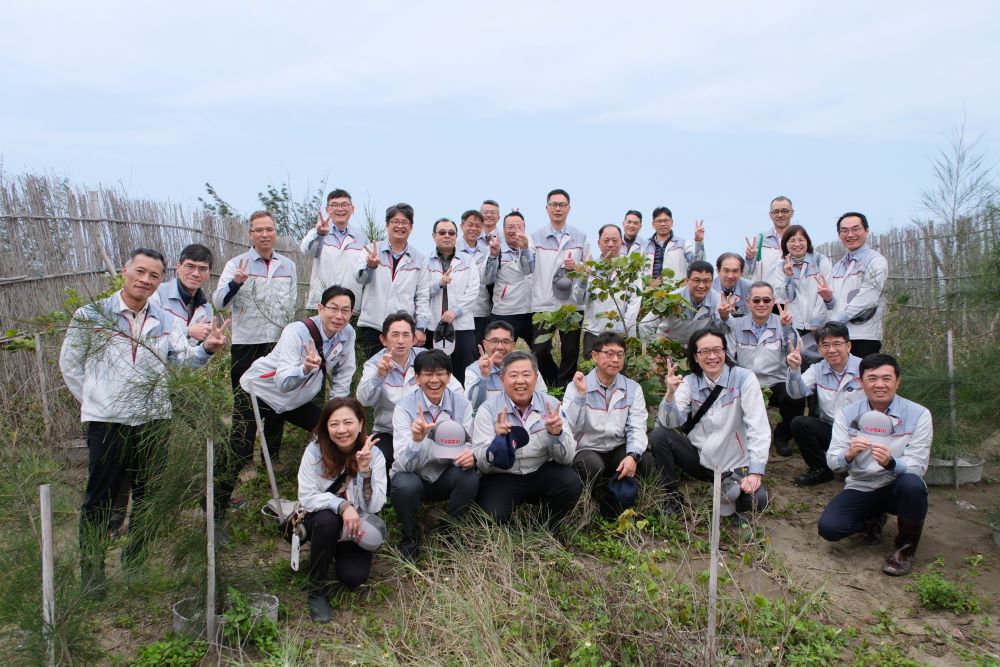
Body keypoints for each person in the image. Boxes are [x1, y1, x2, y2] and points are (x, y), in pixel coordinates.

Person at [60, 248, 229, 595]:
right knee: (99, 499)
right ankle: (92, 573)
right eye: (140, 271)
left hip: (154, 421)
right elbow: (71, 365)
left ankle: (135, 560)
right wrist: (96, 399)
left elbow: (181, 362)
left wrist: (206, 350)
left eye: (153, 275)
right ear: (125, 271)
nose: (146, 280)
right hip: (107, 422)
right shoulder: (91, 316)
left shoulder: (165, 321)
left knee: (148, 496)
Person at [229, 285, 357, 517]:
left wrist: (336, 410)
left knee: (332, 430)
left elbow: (344, 373)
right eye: (333, 308)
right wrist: (304, 369)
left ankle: (332, 489)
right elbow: (283, 381)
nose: (339, 316)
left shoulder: (347, 333)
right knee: (238, 449)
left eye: (345, 310)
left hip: (296, 401)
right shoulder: (296, 332)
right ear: (320, 308)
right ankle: (216, 506)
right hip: (258, 392)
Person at [817, 354, 932, 576]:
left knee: (913, 486)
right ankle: (872, 520)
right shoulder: (847, 414)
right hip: (862, 485)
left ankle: (905, 550)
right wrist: (848, 455)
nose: (880, 384)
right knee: (829, 528)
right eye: (872, 378)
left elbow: (918, 464)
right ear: (861, 382)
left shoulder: (918, 414)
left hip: (896, 484)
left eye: (887, 378)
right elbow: (833, 461)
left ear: (897, 382)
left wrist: (892, 463)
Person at [214, 211, 297, 506]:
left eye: (269, 229)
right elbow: (218, 301)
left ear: (275, 233)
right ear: (250, 234)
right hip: (246, 343)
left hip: (277, 343)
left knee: (276, 400)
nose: (264, 234)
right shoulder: (237, 264)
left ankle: (270, 457)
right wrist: (236, 283)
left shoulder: (288, 265)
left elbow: (291, 304)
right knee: (244, 403)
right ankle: (243, 462)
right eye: (258, 230)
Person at [650, 329, 770, 522]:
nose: (712, 356)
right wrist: (670, 394)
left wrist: (755, 472)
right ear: (695, 357)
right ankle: (672, 497)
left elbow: (758, 426)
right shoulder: (689, 382)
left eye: (717, 350)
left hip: (734, 463)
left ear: (725, 352)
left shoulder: (744, 379)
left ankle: (734, 505)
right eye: (704, 351)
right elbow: (670, 423)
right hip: (701, 459)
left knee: (757, 500)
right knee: (660, 435)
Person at [297, 397, 386, 622]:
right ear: (326, 427)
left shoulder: (375, 455)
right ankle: (316, 590)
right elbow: (307, 497)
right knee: (328, 520)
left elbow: (374, 507)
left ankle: (332, 551)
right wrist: (343, 505)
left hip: (355, 528)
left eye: (348, 422)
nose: (342, 430)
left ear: (360, 423)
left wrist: (365, 471)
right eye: (334, 424)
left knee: (353, 577)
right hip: (321, 520)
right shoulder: (315, 451)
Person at [472, 351, 582, 527]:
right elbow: (481, 465)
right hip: (502, 476)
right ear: (502, 379)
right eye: (513, 375)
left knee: (570, 483)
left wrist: (556, 435)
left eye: (526, 375)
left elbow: (567, 458)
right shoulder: (488, 410)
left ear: (536, 378)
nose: (520, 381)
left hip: (540, 471)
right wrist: (497, 443)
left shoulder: (552, 406)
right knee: (492, 516)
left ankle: (545, 528)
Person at [390, 350, 477, 561]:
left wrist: (470, 455)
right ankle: (410, 534)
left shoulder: (462, 404)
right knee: (404, 484)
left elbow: (471, 443)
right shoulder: (404, 408)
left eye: (440, 373)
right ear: (417, 378)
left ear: (449, 376)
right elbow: (402, 463)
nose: (435, 380)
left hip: (447, 473)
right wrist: (416, 441)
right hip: (415, 474)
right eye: (428, 374)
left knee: (469, 477)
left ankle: (450, 529)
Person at [356, 312, 463, 472]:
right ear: (383, 340)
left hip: (428, 431)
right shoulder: (375, 364)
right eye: (395, 335)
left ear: (413, 339)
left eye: (406, 335)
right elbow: (364, 400)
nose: (401, 341)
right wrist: (379, 376)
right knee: (379, 460)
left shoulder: (426, 359)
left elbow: (457, 391)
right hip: (388, 432)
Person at [563, 332, 650, 518]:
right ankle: (592, 496)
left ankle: (619, 497)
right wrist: (580, 396)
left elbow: (637, 426)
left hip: (617, 448)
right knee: (590, 465)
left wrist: (633, 456)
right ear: (595, 356)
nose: (615, 359)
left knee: (646, 461)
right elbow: (568, 426)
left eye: (620, 354)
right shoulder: (577, 386)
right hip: (588, 449)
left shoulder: (632, 388)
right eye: (609, 354)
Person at [720, 281, 804, 456]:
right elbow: (729, 356)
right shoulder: (737, 325)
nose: (761, 304)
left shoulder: (783, 322)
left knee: (794, 395)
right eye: (756, 300)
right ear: (748, 302)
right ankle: (737, 437)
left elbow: (795, 350)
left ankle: (782, 436)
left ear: (773, 302)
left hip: (775, 381)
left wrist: (787, 328)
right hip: (746, 382)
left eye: (766, 300)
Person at [786, 321, 864, 486]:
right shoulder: (817, 369)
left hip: (861, 433)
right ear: (819, 349)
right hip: (831, 429)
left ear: (848, 345)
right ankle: (821, 469)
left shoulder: (865, 369)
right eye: (825, 345)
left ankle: (859, 470)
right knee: (800, 424)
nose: (831, 350)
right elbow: (796, 394)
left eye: (837, 344)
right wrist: (794, 370)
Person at [530, 189, 591, 386]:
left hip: (571, 305)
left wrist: (578, 267)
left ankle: (566, 390)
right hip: (543, 302)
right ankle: (551, 384)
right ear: (547, 208)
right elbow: (528, 267)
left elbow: (588, 267)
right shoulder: (535, 237)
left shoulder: (580, 237)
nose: (558, 209)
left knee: (570, 351)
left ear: (569, 208)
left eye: (562, 205)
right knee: (540, 350)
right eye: (554, 205)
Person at [355, 203, 430, 360]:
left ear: (411, 227)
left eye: (405, 222)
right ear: (387, 225)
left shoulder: (419, 259)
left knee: (400, 369)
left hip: (402, 329)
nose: (400, 226)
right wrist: (370, 266)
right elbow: (360, 279)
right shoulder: (372, 250)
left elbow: (422, 296)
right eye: (395, 221)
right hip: (373, 324)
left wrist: (421, 328)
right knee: (373, 369)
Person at [818, 212, 888, 360]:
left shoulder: (876, 261)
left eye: (855, 229)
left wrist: (835, 322)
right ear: (839, 235)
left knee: (863, 373)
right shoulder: (838, 266)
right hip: (839, 336)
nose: (850, 235)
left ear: (866, 231)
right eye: (844, 231)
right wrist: (828, 299)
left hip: (863, 335)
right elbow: (835, 303)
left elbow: (867, 299)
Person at [426, 217, 480, 379]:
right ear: (433, 236)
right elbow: (420, 292)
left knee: (464, 372)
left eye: (451, 233)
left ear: (456, 236)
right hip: (433, 326)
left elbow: (473, 290)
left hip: (462, 327)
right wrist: (439, 283)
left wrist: (455, 311)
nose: (447, 236)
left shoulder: (468, 261)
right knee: (434, 371)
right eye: (442, 232)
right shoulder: (425, 262)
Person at [576, 224, 642, 356]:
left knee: (619, 368)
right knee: (592, 368)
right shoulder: (590, 269)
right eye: (606, 241)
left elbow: (634, 302)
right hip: (594, 332)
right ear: (599, 243)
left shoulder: (630, 270)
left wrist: (623, 328)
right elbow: (580, 299)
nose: (610, 244)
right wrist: (582, 280)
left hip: (621, 334)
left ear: (622, 243)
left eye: (615, 240)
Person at [299, 189, 367, 315]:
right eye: (335, 205)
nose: (340, 209)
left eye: (345, 204)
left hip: (349, 307)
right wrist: (319, 234)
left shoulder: (362, 239)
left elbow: (363, 276)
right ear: (327, 209)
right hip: (321, 304)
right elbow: (307, 252)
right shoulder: (317, 232)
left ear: (352, 209)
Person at [465, 320, 547, 411]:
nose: (500, 347)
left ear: (513, 345)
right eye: (494, 341)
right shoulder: (473, 370)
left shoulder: (528, 367)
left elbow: (542, 401)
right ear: (485, 344)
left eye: (506, 342)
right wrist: (483, 377)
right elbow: (472, 407)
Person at [640, 260, 721, 347]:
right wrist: (654, 350)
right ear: (687, 280)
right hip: (667, 346)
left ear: (712, 282)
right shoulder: (672, 298)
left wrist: (725, 317)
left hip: (695, 348)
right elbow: (644, 325)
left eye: (706, 281)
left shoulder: (717, 299)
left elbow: (725, 330)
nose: (701, 286)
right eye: (697, 280)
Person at [771, 225, 833, 338]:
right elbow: (786, 297)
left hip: (820, 324)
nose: (797, 244)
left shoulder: (820, 260)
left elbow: (825, 293)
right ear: (785, 244)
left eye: (801, 240)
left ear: (807, 241)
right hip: (795, 324)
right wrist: (788, 277)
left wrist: (816, 320)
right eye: (792, 241)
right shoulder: (781, 265)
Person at [486, 211, 535, 347]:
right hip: (505, 311)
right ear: (503, 229)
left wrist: (524, 249)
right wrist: (493, 256)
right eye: (510, 227)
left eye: (518, 227)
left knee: (541, 351)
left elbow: (528, 270)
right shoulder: (495, 247)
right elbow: (488, 279)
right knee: (499, 350)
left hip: (531, 310)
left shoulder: (531, 246)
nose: (514, 231)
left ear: (524, 228)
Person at [151, 243, 214, 345]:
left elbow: (200, 350)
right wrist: (187, 332)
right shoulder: (157, 293)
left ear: (208, 274)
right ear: (178, 267)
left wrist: (208, 348)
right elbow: (148, 335)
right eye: (190, 266)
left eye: (202, 269)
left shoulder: (207, 309)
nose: (195, 274)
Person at [457, 209, 497, 345]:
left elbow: (489, 279)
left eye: (478, 226)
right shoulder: (453, 249)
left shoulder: (487, 251)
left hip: (480, 310)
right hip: (457, 311)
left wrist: (493, 256)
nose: (474, 229)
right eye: (470, 225)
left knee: (478, 350)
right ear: (462, 226)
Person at [640, 206, 705, 280]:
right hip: (649, 287)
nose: (663, 224)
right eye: (659, 221)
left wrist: (699, 241)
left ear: (672, 222)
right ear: (653, 224)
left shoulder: (683, 244)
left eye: (666, 220)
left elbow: (699, 265)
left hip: (675, 287)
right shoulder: (645, 246)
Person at [745, 196, 795, 287]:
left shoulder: (800, 242)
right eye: (775, 211)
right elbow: (746, 272)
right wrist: (749, 259)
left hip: (794, 294)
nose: (780, 215)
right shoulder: (758, 241)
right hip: (767, 295)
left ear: (792, 213)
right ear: (770, 215)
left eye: (784, 211)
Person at [712, 252, 751, 318]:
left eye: (735, 271)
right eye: (726, 270)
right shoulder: (709, 289)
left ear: (742, 272)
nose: (730, 276)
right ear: (718, 271)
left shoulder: (751, 288)